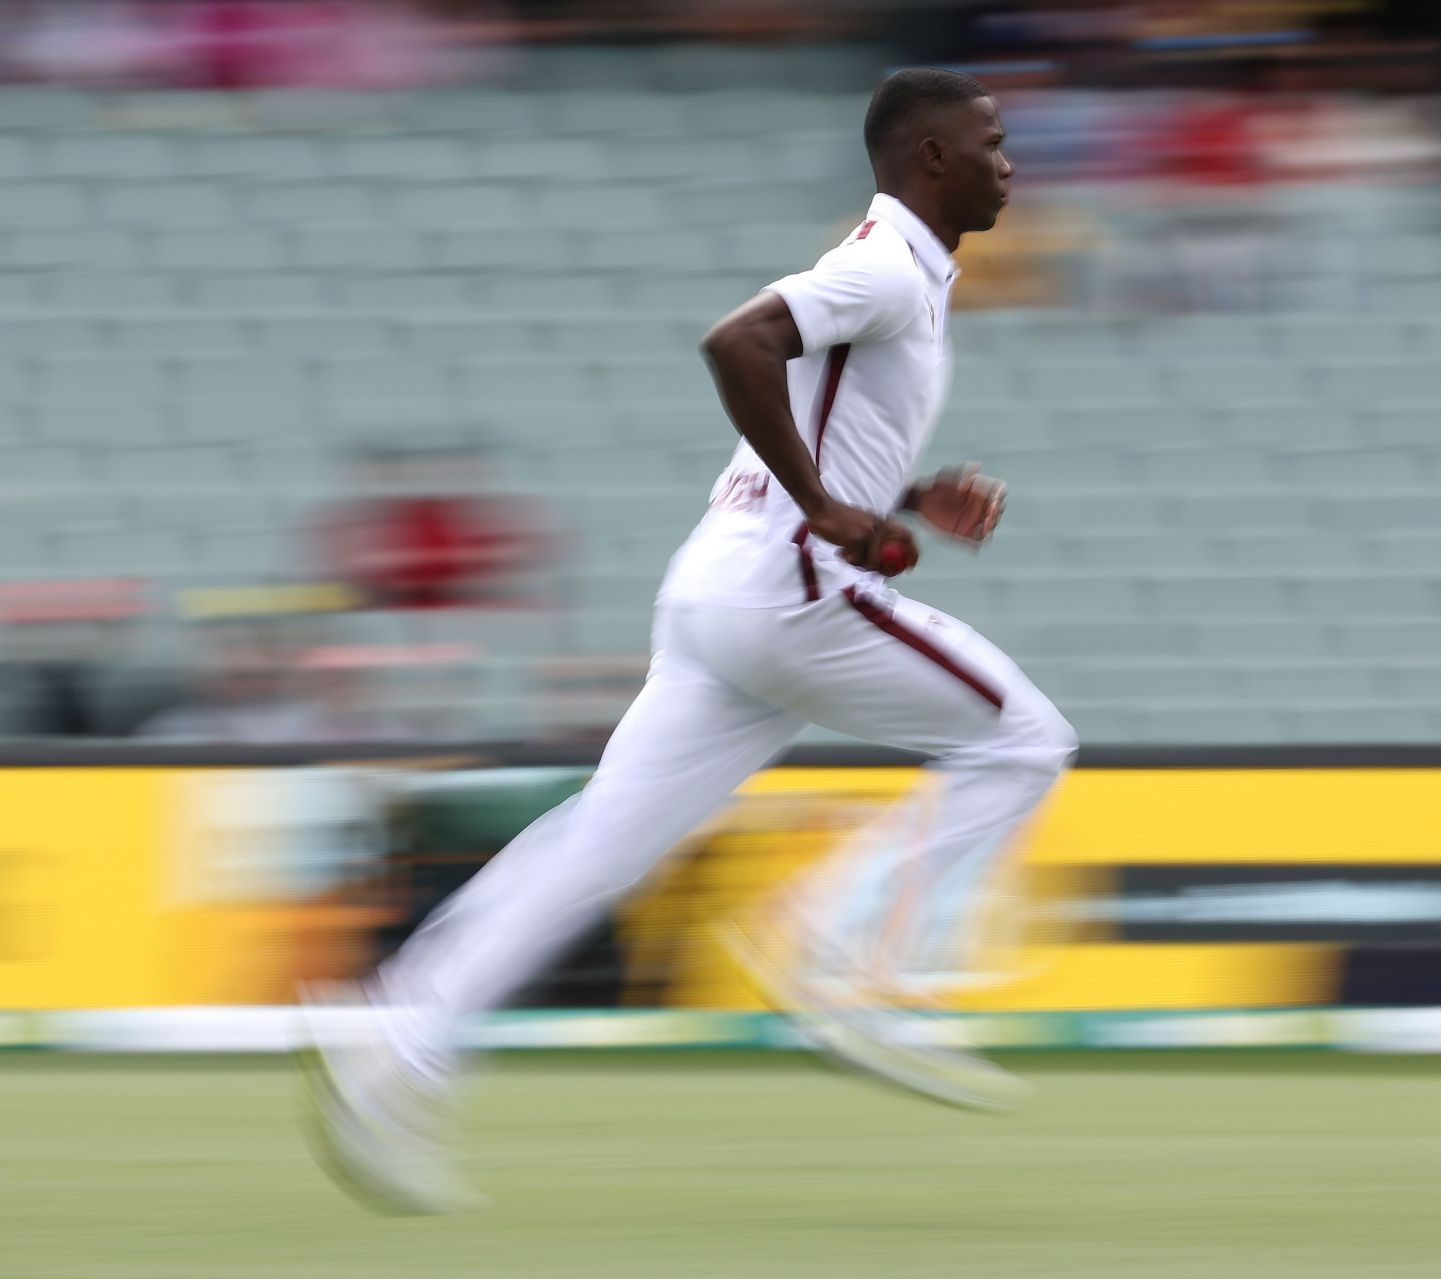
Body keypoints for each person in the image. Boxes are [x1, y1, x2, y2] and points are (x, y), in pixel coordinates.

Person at [300, 67, 1077, 1215]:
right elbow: (737, 342)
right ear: (929, 159)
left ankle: (399, 1031)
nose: (1012, 162)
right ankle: (841, 956)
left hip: (717, 593)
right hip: (790, 593)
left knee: (597, 846)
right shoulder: (882, 265)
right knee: (1024, 742)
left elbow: (808, 408)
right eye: (995, 142)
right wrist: (830, 509)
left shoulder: (901, 271)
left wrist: (901, 493)